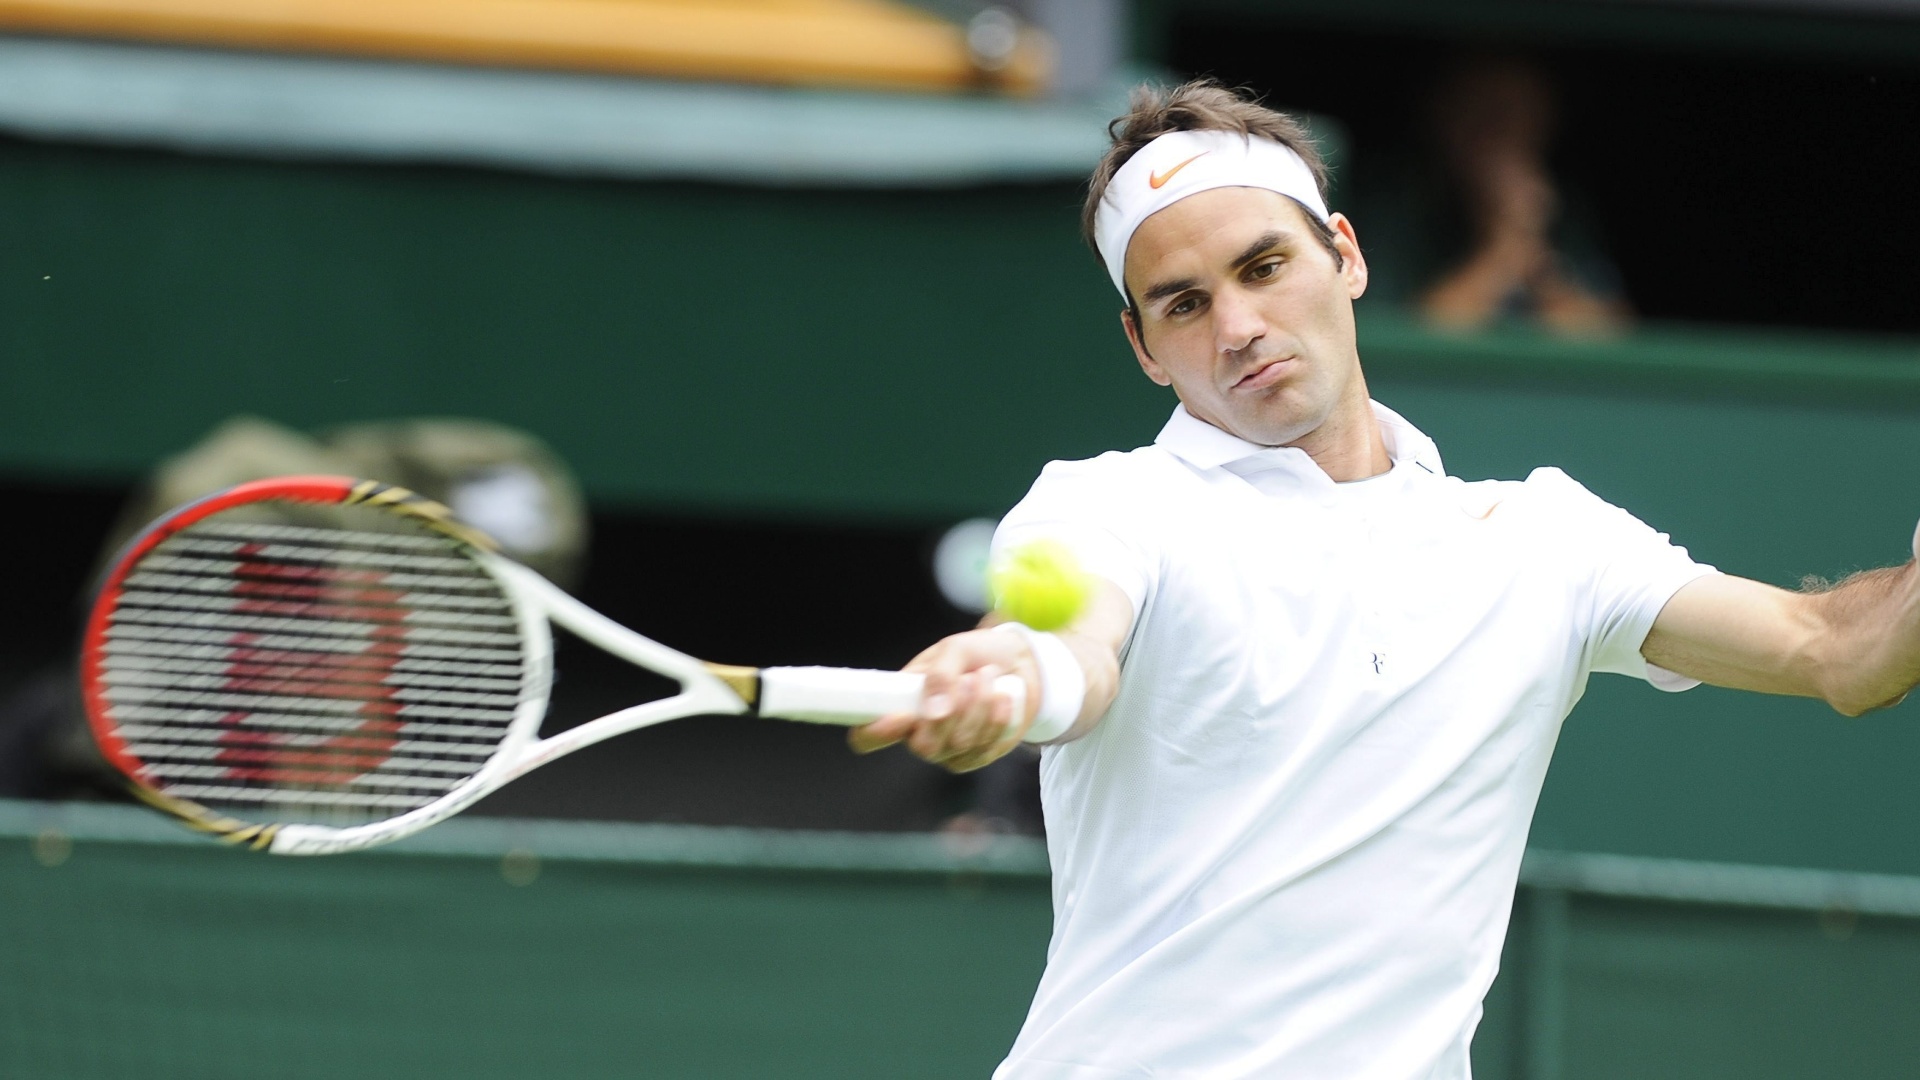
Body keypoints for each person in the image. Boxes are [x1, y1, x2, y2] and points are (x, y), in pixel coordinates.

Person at [846, 79, 1920, 1078]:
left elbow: (1841, 654)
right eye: (1183, 305)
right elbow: (1073, 652)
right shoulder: (1109, 504)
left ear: (1345, 256)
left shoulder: (1545, 539)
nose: (1238, 329)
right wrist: (1016, 676)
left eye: (1264, 267)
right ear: (1143, 347)